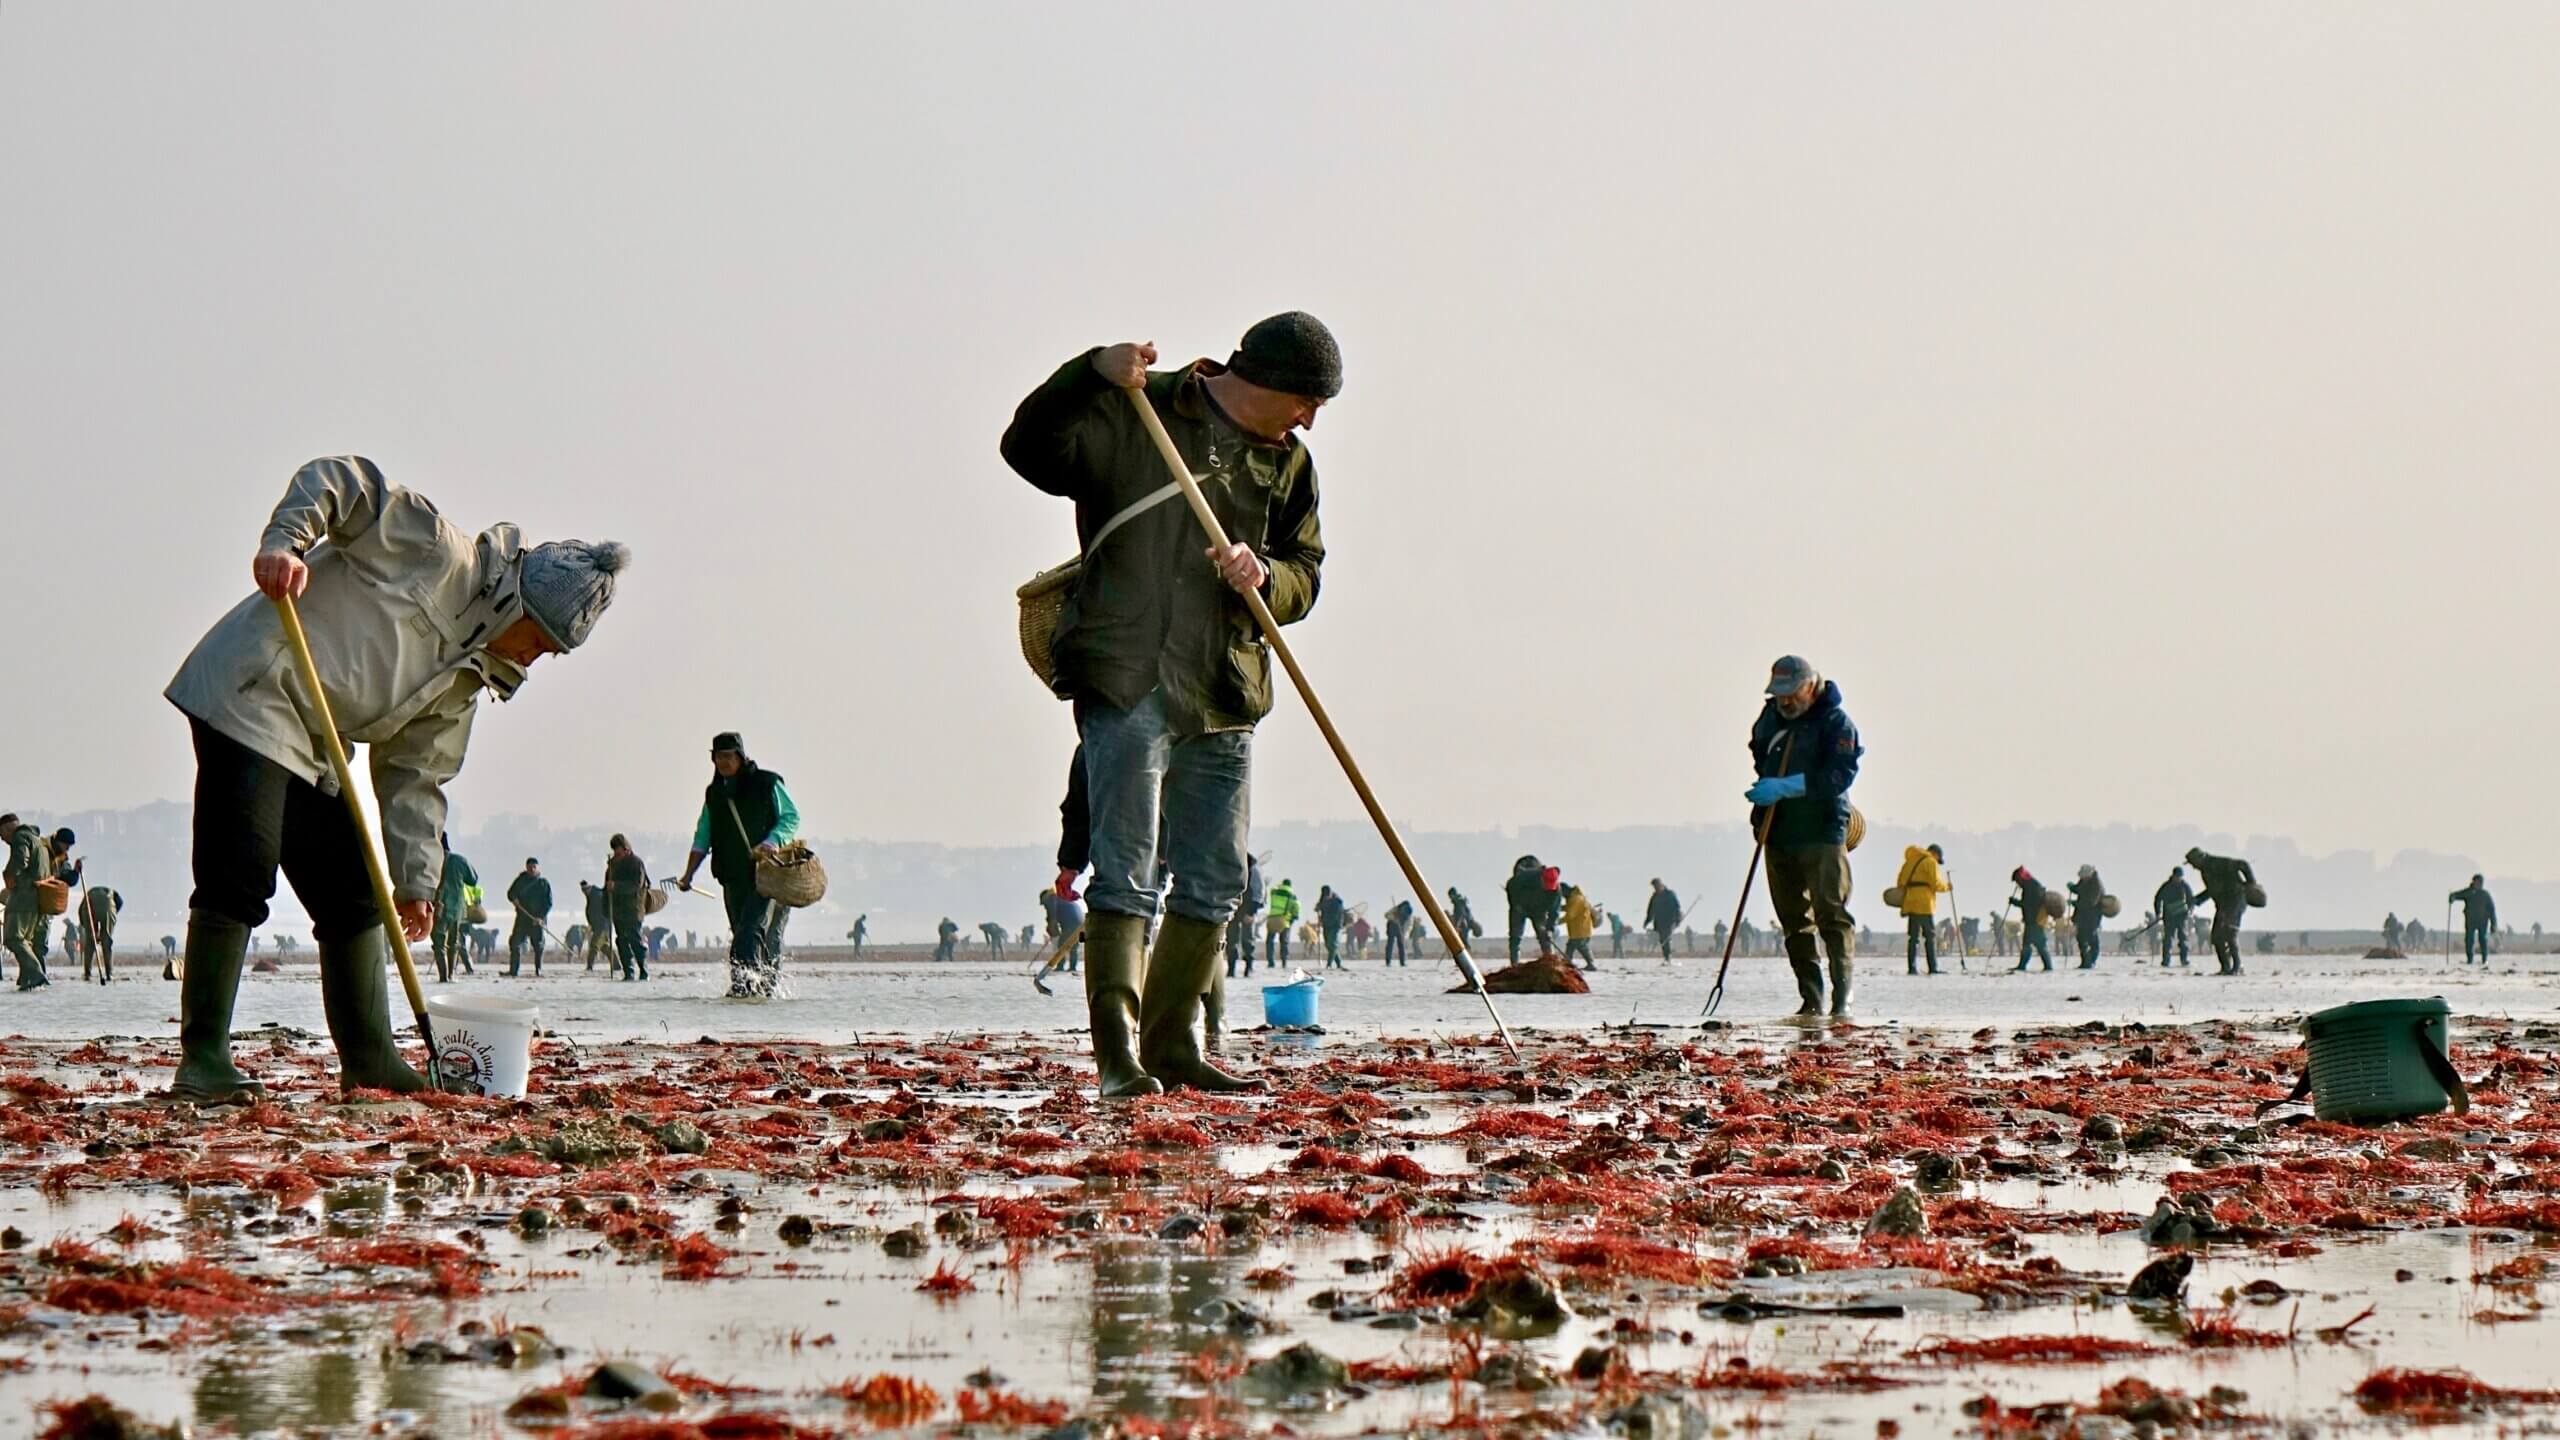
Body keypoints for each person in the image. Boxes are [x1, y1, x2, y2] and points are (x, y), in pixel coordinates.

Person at [159, 455, 627, 1100]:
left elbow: (415, 777)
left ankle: (371, 1062)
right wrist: (285, 545)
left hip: (314, 743)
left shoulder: (470, 678)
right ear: (519, 605)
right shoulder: (433, 550)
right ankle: (203, 1059)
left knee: (353, 896)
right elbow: (339, 480)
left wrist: (416, 885)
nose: (537, 657)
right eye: (541, 640)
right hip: (255, 688)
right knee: (240, 873)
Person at [1003, 315, 1335, 1096]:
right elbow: (1028, 450)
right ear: (1265, 380)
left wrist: (1267, 579)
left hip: (1225, 686)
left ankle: (1174, 1045)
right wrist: (1087, 369)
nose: (1310, 419)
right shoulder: (1136, 404)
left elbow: (1307, 573)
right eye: (1305, 400)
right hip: (1128, 674)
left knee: (1217, 877)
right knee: (1124, 874)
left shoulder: (1292, 465)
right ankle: (1119, 1061)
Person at [1744, 656, 1864, 1016]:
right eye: (1779, 693)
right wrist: (1767, 790)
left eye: (1791, 693)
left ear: (1809, 687)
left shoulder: (1836, 723)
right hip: (1778, 829)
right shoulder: (1769, 720)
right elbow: (1758, 754)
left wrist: (1789, 786)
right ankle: (1811, 999)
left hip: (1824, 830)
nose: (1785, 701)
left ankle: (1842, 997)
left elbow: (1839, 776)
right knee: (1794, 920)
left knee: (1832, 913)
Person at [675, 732, 801, 998]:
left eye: (728, 756)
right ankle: (755, 989)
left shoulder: (767, 783)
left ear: (740, 757)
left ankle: (749, 989)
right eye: (718, 757)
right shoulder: (715, 795)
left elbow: (790, 816)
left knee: (754, 933)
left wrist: (772, 842)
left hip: (769, 875)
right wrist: (688, 875)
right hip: (732, 877)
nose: (722, 762)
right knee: (743, 932)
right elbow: (702, 837)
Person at [2185, 846, 2258, 976]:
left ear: (2199, 859)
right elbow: (2213, 890)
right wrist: (2197, 900)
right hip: (2223, 905)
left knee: (2230, 933)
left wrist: (2251, 883)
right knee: (2217, 937)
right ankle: (2225, 967)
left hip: (2235, 901)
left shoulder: (2219, 862)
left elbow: (2243, 864)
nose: (2193, 867)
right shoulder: (2205, 872)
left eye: (2193, 863)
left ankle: (2237, 966)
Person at [1, 816, 53, 989]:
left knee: (12, 938)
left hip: (24, 896)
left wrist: (8, 874)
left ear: (8, 828)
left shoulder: (20, 837)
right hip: (38, 897)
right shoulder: (38, 840)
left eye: (1, 834)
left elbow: (21, 860)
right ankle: (26, 980)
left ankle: (37, 975)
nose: (2, 839)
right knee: (26, 940)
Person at [1895, 844, 1948, 975]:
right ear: (1935, 854)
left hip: (1911, 903)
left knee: (1913, 938)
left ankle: (1911, 968)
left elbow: (1900, 882)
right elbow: (1935, 884)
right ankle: (1933, 968)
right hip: (1925, 904)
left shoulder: (1910, 861)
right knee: (1930, 937)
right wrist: (1947, 887)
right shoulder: (1931, 861)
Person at [431, 834, 477, 983]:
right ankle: (451, 975)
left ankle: (443, 977)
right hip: (456, 908)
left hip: (438, 907)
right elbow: (473, 880)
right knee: (454, 942)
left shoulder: (431, 860)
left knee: (438, 943)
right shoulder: (459, 860)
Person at [605, 834, 651, 981]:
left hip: (633, 908)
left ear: (626, 849)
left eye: (619, 852)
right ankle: (628, 972)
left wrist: (616, 886)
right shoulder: (612, 865)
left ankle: (644, 971)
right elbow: (607, 885)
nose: (617, 855)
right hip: (618, 910)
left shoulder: (636, 863)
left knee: (635, 939)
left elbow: (636, 885)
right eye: (615, 853)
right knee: (621, 941)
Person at [506, 857, 551, 977]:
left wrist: (541, 918)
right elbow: (510, 893)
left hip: (537, 920)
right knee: (515, 943)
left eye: (534, 867)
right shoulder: (520, 880)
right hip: (522, 918)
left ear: (537, 868)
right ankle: (513, 971)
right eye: (530, 866)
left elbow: (548, 903)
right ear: (526, 867)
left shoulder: (543, 883)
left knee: (538, 946)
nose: (532, 869)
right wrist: (514, 899)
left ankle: (538, 970)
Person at [2011, 867, 2054, 972]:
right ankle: (2023, 965)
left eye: (2017, 881)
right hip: (2031, 920)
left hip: (2036, 920)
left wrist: (2016, 902)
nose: (2018, 884)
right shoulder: (2030, 886)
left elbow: (2030, 904)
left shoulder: (2033, 887)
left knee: (2039, 944)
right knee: (2029, 943)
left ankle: (2047, 966)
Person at [1228, 855, 1264, 978]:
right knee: (1231, 939)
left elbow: (1258, 890)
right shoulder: (1229, 861)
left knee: (1247, 940)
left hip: (1246, 908)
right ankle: (1231, 968)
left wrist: (1252, 911)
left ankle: (1248, 967)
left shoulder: (1252, 866)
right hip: (1232, 907)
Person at [78, 884, 121, 983]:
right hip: (108, 906)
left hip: (90, 905)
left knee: (90, 943)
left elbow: (81, 914)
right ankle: (109, 973)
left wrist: (92, 933)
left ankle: (87, 973)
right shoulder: (115, 898)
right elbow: (117, 907)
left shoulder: (88, 896)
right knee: (107, 942)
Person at [2450, 875, 2497, 965]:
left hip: (2483, 922)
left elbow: (2492, 910)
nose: (2477, 884)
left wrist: (2493, 924)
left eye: (2479, 882)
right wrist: (2452, 897)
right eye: (2476, 882)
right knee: (2469, 940)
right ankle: (2470, 959)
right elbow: (2458, 895)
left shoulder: (2485, 895)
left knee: (2483, 939)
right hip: (2470, 921)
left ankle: (2484, 960)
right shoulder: (2469, 892)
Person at [2154, 867, 2195, 967]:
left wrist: (2190, 910)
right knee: (2168, 939)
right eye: (2177, 877)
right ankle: (2166, 961)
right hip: (2169, 917)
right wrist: (2158, 912)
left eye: (2180, 877)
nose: (2178, 879)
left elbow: (2191, 899)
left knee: (2183, 939)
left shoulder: (2185, 886)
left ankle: (2184, 960)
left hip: (2182, 917)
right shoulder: (2166, 886)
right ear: (2173, 876)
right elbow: (2158, 899)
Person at [2070, 865, 2106, 970]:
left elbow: (2091, 902)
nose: (2082, 878)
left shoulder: (2097, 885)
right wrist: (2072, 888)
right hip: (2081, 916)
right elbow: (2080, 890)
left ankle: (2091, 961)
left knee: (2092, 941)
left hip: (2092, 917)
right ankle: (2085, 962)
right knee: (2081, 939)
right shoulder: (2084, 881)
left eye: (2083, 876)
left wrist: (2075, 903)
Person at [1265, 878, 1301, 969]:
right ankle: (1284, 962)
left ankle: (1271, 962)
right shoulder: (1292, 896)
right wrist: (1295, 916)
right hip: (1284, 921)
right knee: (1284, 942)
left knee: (1270, 941)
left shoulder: (1274, 892)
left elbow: (1272, 889)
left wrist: (1278, 886)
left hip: (1272, 919)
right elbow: (1296, 906)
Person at [1562, 884, 1600, 970]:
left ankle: (1590, 964)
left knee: (1577, 946)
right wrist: (1559, 908)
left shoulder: (1576, 899)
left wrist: (1556, 921)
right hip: (1579, 930)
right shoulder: (1575, 898)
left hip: (1580, 930)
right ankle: (1568, 962)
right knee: (1575, 946)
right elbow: (1569, 907)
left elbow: (1570, 915)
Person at [1643, 879, 1680, 963]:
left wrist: (1677, 919)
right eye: (1654, 886)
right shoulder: (1654, 897)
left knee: (1666, 938)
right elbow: (1650, 910)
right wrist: (1647, 921)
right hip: (1659, 922)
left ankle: (1668, 957)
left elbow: (1676, 907)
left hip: (1669, 921)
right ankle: (1666, 957)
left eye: (1656, 886)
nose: (1655, 888)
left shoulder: (1669, 894)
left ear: (1661, 885)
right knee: (1662, 940)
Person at [579, 880, 612, 971]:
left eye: (585, 890)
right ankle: (616, 964)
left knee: (594, 945)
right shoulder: (591, 896)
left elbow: (603, 913)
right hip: (598, 926)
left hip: (602, 926)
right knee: (603, 946)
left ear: (589, 888)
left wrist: (601, 926)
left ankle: (589, 966)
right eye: (583, 890)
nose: (584, 892)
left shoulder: (597, 896)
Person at [1315, 885, 1347, 970]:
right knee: (1328, 945)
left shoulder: (1337, 901)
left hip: (1336, 926)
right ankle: (1339, 964)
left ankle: (1329, 964)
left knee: (1332, 944)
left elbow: (1338, 913)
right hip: (1326, 925)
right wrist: (1318, 908)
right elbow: (1318, 907)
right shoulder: (1323, 900)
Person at [1445, 888, 1482, 954]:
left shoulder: (1458, 902)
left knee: (1463, 941)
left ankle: (1467, 955)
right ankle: (1466, 955)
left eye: (1450, 896)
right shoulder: (1461, 901)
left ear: (1452, 895)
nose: (1450, 898)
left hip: (1464, 924)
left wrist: (1457, 926)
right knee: (1463, 940)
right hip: (1464, 923)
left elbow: (1461, 914)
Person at [1382, 898, 1413, 966]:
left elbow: (1408, 923)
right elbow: (1386, 915)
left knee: (1400, 946)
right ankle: (1389, 962)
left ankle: (1401, 962)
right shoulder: (1396, 909)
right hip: (1392, 927)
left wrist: (1404, 931)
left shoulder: (1408, 912)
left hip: (1400, 929)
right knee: (1391, 945)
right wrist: (1393, 917)